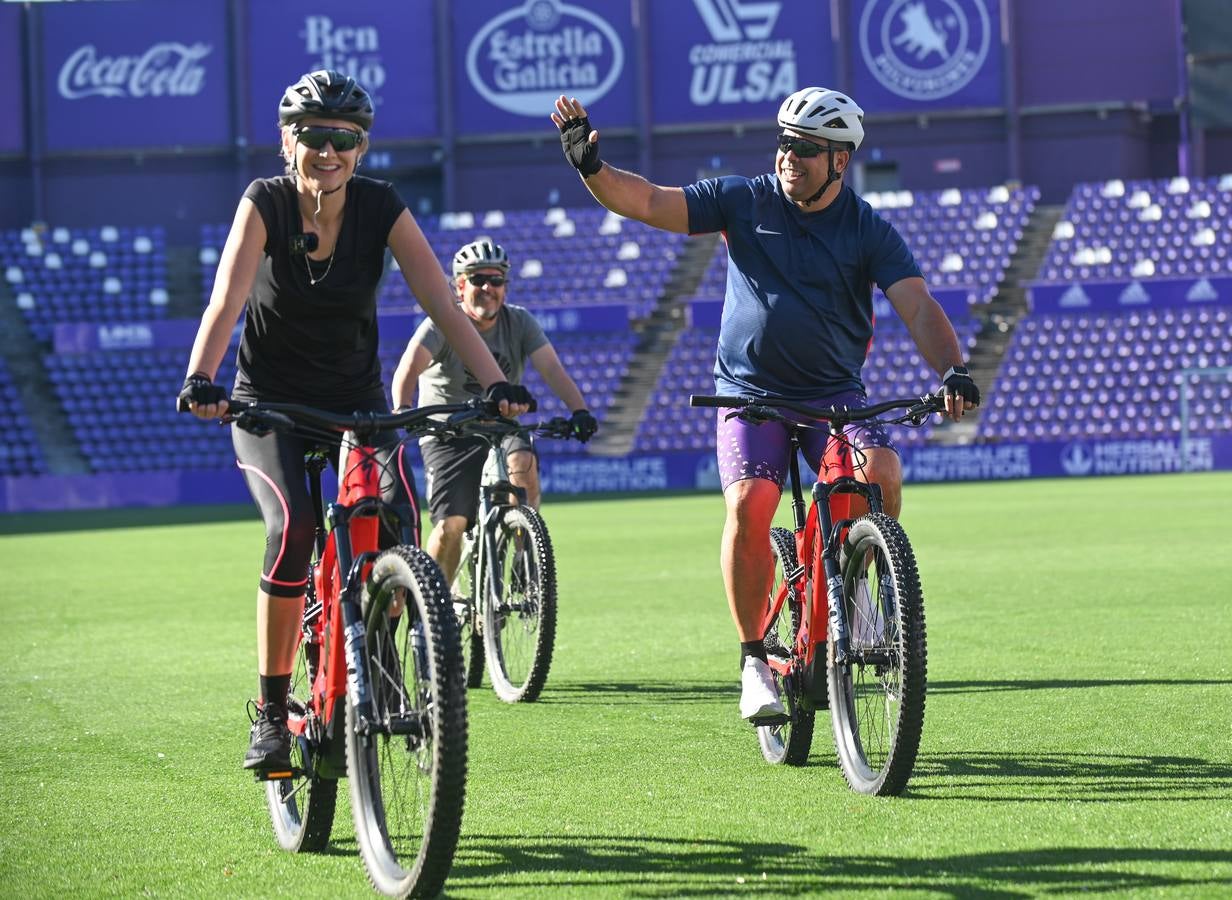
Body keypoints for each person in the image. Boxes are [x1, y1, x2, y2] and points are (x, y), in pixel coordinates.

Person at [551, 87, 980, 722]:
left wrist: (953, 370)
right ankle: (754, 659)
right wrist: (591, 166)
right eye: (783, 142)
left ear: (840, 160)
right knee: (751, 502)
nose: (788, 156)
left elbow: (917, 305)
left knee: (882, 472)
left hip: (833, 395)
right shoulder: (743, 199)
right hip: (749, 393)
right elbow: (647, 202)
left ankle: (857, 590)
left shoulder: (868, 229)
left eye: (804, 148)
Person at [177, 70, 533, 773]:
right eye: (314, 135)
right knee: (293, 530)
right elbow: (227, 299)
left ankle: (377, 657)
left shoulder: (381, 205)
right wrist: (201, 378)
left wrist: (495, 383)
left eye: (345, 139)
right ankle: (271, 715)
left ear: (362, 147)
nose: (329, 151)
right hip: (269, 404)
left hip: (356, 404)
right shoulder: (265, 202)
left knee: (395, 525)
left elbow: (442, 304)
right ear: (289, 141)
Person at [390, 238, 598, 583]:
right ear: (460, 286)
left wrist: (580, 411)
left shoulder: (520, 322)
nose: (488, 288)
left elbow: (552, 369)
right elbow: (408, 370)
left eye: (496, 280)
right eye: (478, 280)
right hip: (448, 432)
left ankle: (525, 557)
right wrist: (403, 409)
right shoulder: (442, 323)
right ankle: (438, 601)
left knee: (523, 464)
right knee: (451, 525)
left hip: (500, 427)